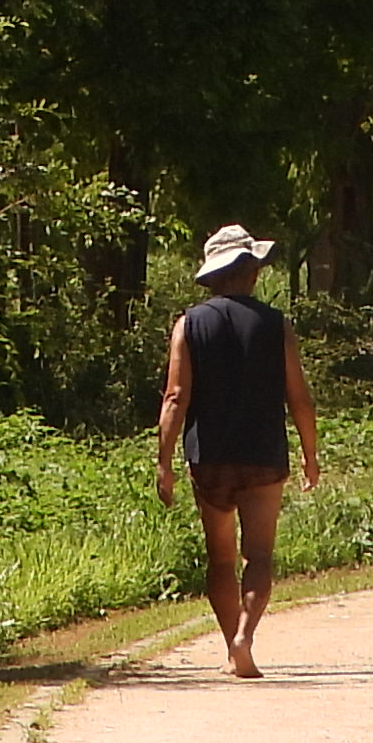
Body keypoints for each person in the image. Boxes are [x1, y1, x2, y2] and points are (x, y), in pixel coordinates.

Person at [155, 222, 321, 677]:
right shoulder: (275, 324)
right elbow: (299, 398)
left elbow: (175, 397)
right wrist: (310, 454)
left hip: (209, 456)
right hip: (263, 454)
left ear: (213, 275)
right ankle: (246, 636)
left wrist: (164, 462)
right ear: (249, 271)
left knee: (221, 557)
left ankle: (232, 646)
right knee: (259, 556)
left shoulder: (189, 324)